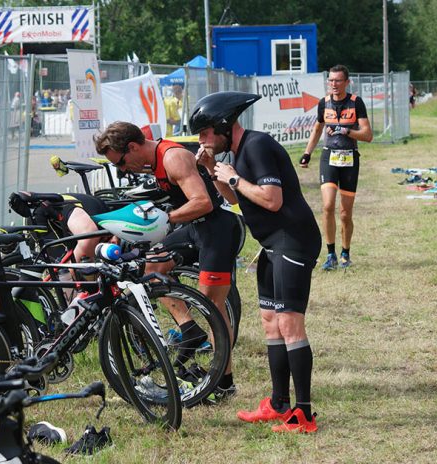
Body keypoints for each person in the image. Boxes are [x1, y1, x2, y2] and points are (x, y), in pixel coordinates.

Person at [190, 91, 321, 433]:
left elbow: (273, 200)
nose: (202, 141)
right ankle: (278, 403)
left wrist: (233, 177)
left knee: (290, 324)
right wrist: (212, 171)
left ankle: (303, 413)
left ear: (221, 126)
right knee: (269, 321)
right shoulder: (236, 151)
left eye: (204, 134)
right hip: (271, 244)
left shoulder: (258, 145)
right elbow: (236, 199)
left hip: (293, 239)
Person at [94, 121, 241, 398]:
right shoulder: (151, 164)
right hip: (196, 228)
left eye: (122, 163)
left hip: (219, 229)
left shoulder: (172, 158)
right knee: (154, 268)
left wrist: (166, 220)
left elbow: (203, 202)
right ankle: (189, 328)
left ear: (134, 147)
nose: (123, 170)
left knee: (212, 305)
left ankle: (224, 381)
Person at [300, 64, 373, 271]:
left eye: (338, 80)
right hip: (328, 157)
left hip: (349, 160)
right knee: (327, 206)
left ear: (347, 82)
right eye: (330, 80)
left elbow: (367, 135)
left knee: (344, 214)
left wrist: (346, 131)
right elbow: (317, 129)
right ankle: (330, 254)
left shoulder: (355, 102)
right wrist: (307, 153)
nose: (333, 84)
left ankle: (345, 253)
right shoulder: (323, 103)